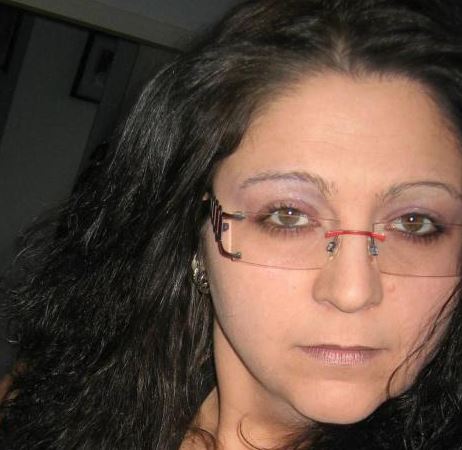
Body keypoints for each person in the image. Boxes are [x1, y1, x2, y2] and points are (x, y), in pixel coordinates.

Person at [1, 0, 462, 448]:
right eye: (288, 215)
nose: (353, 292)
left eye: (415, 223)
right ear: (195, 234)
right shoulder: (47, 406)